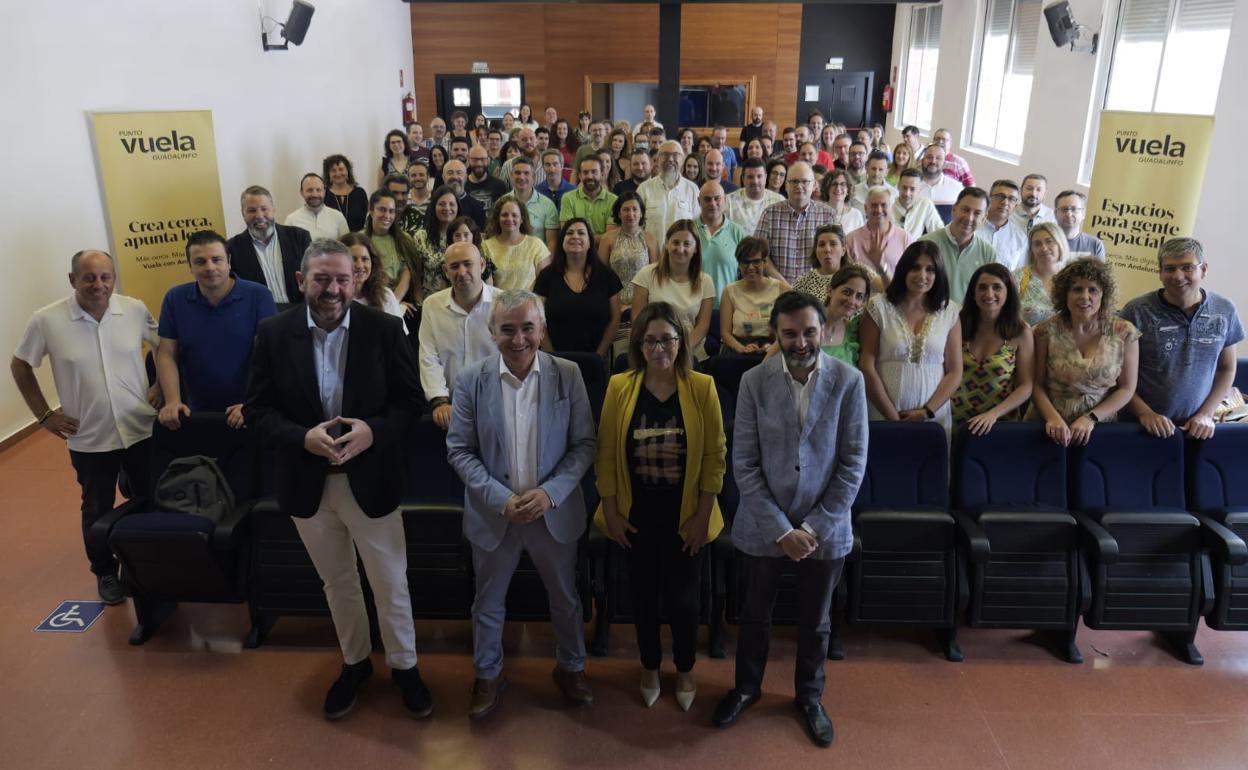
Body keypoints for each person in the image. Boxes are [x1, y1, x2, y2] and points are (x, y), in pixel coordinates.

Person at [244, 238, 430, 721]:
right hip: (307, 482)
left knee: (390, 581)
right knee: (337, 582)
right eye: (322, 278)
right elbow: (258, 411)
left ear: (358, 280)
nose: (333, 289)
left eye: (343, 279)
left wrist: (374, 432)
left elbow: (411, 405)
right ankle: (355, 663)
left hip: (371, 479)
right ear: (302, 281)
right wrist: (301, 438)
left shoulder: (387, 330)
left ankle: (405, 667)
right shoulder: (273, 331)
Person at [713, 290, 869, 748]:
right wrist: (782, 529)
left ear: (823, 330)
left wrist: (812, 527)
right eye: (789, 333)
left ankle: (810, 697)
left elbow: (853, 463)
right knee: (754, 614)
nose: (800, 342)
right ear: (775, 334)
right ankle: (745, 688)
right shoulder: (753, 382)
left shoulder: (848, 381)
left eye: (808, 332)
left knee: (816, 620)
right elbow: (743, 462)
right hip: (764, 526)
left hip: (826, 526)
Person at [446, 290, 597, 719]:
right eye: (508, 329)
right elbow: (459, 450)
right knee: (488, 602)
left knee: (566, 599)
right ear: (492, 332)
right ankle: (488, 673)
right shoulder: (471, 380)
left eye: (528, 328)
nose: (518, 338)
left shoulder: (568, 374)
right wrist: (500, 500)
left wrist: (550, 494)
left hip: (554, 512)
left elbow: (585, 444)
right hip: (497, 515)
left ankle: (571, 667)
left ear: (543, 331)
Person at [595, 301, 725, 710]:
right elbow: (606, 456)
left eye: (667, 339)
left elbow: (714, 456)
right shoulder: (620, 386)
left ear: (681, 342)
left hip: (686, 512)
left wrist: (703, 513)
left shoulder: (702, 387)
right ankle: (650, 665)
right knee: (643, 596)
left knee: (685, 599)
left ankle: (685, 669)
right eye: (650, 340)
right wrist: (612, 511)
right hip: (636, 512)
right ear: (638, 345)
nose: (659, 348)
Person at [12, 249, 160, 605]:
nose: (99, 285)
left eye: (105, 277)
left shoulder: (134, 309)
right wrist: (45, 416)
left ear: (114, 278)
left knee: (149, 498)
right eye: (89, 277)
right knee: (96, 507)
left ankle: (149, 564)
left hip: (139, 428)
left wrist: (159, 389)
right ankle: (105, 572)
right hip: (90, 437)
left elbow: (166, 347)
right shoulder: (47, 320)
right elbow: (20, 366)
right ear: (72, 280)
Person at [1121, 237, 1243, 440]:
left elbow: (1226, 368)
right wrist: (1145, 414)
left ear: (1203, 269)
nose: (1178, 276)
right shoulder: (1136, 311)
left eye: (1187, 267)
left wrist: (1205, 414)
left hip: (1198, 430)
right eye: (1169, 269)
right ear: (1160, 273)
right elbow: (1116, 375)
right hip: (1140, 429)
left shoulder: (1225, 310)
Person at [156, 230, 277, 432]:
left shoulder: (258, 295)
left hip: (248, 411)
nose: (210, 267)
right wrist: (172, 401)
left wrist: (252, 403)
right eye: (200, 261)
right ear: (190, 267)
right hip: (196, 412)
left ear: (228, 261)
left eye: (216, 259)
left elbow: (268, 357)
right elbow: (167, 353)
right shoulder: (174, 298)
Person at [1028, 258, 1140, 446]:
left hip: (1100, 429)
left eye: (1093, 290)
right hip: (1048, 428)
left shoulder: (1124, 332)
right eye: (1077, 289)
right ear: (1065, 294)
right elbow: (1037, 385)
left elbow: (1127, 389)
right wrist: (1053, 419)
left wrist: (1091, 419)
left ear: (1104, 295)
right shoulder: (1045, 331)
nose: (1085, 297)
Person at [859, 240, 963, 438]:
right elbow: (866, 364)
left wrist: (927, 411)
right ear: (903, 270)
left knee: (930, 468)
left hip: (934, 417)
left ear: (938, 274)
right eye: (915, 268)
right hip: (883, 414)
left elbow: (955, 371)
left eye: (930, 269)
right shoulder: (878, 307)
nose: (922, 276)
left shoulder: (949, 311)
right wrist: (892, 416)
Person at [418, 242, 499, 430]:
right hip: (451, 409)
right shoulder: (432, 305)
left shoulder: (502, 304)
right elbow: (429, 357)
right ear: (445, 270)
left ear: (481, 265)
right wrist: (440, 401)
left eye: (467, 264)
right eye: (454, 266)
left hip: (496, 405)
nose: (461, 272)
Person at [949, 263, 1034, 433]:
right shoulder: (956, 324)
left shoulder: (1021, 332)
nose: (989, 294)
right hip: (953, 422)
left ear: (1008, 293)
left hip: (999, 425)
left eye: (997, 287)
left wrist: (992, 415)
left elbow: (1026, 386)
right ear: (973, 293)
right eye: (982, 287)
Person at [534, 218, 622, 356]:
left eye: (581, 233)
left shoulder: (607, 276)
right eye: (569, 233)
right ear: (562, 242)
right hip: (556, 358)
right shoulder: (547, 276)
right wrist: (551, 355)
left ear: (589, 243)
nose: (575, 236)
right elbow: (537, 317)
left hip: (596, 358)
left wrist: (598, 356)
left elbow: (615, 319)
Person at [632, 220, 716, 362]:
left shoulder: (706, 281)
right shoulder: (646, 274)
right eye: (675, 242)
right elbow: (637, 318)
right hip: (652, 349)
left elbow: (702, 326)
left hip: (690, 352)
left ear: (695, 248)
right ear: (667, 245)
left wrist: (681, 349)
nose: (680, 248)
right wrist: (656, 347)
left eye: (687, 244)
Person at [754, 162, 836, 285]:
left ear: (814, 185)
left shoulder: (827, 215)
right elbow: (758, 253)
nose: (799, 186)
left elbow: (835, 256)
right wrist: (783, 285)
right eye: (794, 181)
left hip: (817, 292)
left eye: (804, 182)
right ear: (786, 185)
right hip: (778, 290)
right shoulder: (770, 213)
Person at [228, 185, 311, 305]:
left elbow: (314, 277)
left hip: (300, 312)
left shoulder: (299, 237)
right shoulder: (232, 248)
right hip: (260, 318)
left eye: (264, 209)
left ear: (273, 209)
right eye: (252, 210)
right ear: (243, 214)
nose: (259, 216)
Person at [919, 187, 998, 305]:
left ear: (984, 218)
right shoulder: (926, 244)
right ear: (954, 209)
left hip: (968, 321)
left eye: (977, 213)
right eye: (965, 210)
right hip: (929, 318)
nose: (969, 218)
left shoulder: (988, 253)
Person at [719, 237, 789, 354]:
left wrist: (772, 347)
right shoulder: (729, 291)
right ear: (739, 264)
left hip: (773, 349)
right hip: (738, 351)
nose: (751, 267)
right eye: (745, 262)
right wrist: (741, 348)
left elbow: (788, 330)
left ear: (765, 262)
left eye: (756, 261)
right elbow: (725, 334)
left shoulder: (781, 290)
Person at [599, 192, 659, 312]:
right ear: (619, 213)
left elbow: (655, 277)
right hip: (614, 304)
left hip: (643, 305)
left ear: (641, 213)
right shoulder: (607, 239)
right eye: (626, 210)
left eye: (635, 209)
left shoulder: (650, 239)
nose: (631, 214)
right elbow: (600, 275)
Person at [359, 188, 419, 307]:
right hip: (366, 300)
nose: (387, 215)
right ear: (371, 210)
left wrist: (393, 303)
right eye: (382, 210)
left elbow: (406, 274)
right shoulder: (359, 239)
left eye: (391, 211)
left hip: (396, 300)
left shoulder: (404, 239)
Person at [638, 141, 702, 249]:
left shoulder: (692, 189)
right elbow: (638, 227)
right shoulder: (644, 189)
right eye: (665, 155)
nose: (670, 159)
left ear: (682, 160)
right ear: (657, 160)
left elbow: (697, 227)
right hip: (652, 256)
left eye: (675, 155)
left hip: (682, 256)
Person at [846, 187, 912, 290]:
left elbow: (910, 276)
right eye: (874, 205)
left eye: (883, 205)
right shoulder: (851, 239)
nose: (879, 210)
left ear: (891, 208)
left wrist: (881, 265)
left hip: (896, 299)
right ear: (865, 208)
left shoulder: (905, 238)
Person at [695, 181, 748, 306]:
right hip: (694, 310)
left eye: (717, 198)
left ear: (724, 199)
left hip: (729, 308)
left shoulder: (738, 232)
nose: (712, 204)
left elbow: (746, 274)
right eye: (707, 199)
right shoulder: (688, 230)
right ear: (698, 201)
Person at [481, 197, 551, 291]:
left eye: (514, 215)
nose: (509, 219)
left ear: (522, 219)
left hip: (530, 304)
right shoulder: (486, 247)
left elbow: (545, 285)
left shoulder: (536, 245)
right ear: (497, 219)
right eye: (504, 215)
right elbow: (485, 287)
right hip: (497, 303)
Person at [342, 232, 406, 324]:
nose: (360, 265)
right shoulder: (333, 298)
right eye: (353, 259)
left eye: (365, 259)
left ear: (373, 262)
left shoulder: (386, 296)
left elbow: (399, 335)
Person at [1016, 222, 1071, 326]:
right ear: (1031, 250)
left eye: (1049, 241)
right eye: (1037, 244)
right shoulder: (1018, 278)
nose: (1044, 248)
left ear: (1060, 243)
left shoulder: (1073, 278)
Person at [559, 156, 618, 238]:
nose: (590, 176)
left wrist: (582, 237)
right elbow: (567, 233)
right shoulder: (568, 198)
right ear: (580, 176)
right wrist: (598, 237)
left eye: (594, 172)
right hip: (576, 249)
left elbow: (609, 237)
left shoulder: (613, 200)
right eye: (585, 172)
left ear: (601, 174)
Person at [978, 180, 1029, 271]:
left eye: (1011, 199)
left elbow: (1020, 275)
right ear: (989, 199)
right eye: (1000, 196)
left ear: (1015, 206)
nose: (1005, 202)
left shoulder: (1020, 238)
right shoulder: (972, 227)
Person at [727, 158, 784, 234]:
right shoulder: (729, 202)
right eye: (750, 177)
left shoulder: (779, 201)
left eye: (759, 176)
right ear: (743, 179)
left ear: (766, 177)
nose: (755, 181)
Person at [285, 173, 350, 241]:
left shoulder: (338, 217)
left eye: (318, 190)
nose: (315, 194)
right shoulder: (291, 220)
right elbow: (287, 248)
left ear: (324, 192)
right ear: (302, 192)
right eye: (310, 190)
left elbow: (347, 247)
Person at [792, 225, 849, 301]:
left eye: (833, 244)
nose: (827, 249)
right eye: (821, 245)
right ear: (815, 251)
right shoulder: (802, 282)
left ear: (843, 250)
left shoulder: (853, 280)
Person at [893, 168, 945, 240]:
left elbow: (939, 232)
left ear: (920, 189)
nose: (907, 193)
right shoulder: (888, 204)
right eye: (904, 187)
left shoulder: (925, 204)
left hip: (916, 249)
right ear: (898, 186)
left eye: (912, 189)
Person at [1054, 190, 1106, 259]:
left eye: (1074, 209)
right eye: (1064, 209)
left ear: (1083, 214)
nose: (1069, 214)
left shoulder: (1095, 244)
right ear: (1055, 213)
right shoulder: (1042, 242)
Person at [323, 154, 368, 232]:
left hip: (357, 240)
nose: (338, 173)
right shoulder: (323, 194)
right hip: (332, 241)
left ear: (347, 171)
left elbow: (367, 219)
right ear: (328, 174)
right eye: (333, 170)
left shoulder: (360, 193)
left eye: (341, 169)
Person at [441, 159, 487, 230]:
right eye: (450, 173)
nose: (455, 176)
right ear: (443, 177)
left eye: (459, 173)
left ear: (465, 177)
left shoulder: (477, 207)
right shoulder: (435, 205)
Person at [819, 169, 865, 234]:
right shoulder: (817, 212)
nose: (838, 188)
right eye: (834, 184)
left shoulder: (856, 215)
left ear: (848, 190)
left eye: (843, 184)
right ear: (827, 188)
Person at [466, 145, 509, 212]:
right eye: (475, 159)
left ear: (488, 160)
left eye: (483, 159)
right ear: (468, 160)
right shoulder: (462, 185)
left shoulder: (500, 186)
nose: (479, 164)